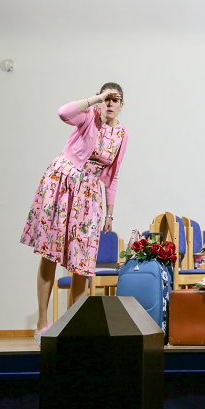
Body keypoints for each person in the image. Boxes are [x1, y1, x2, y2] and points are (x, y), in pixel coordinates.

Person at [21, 83, 129, 345]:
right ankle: (42, 323)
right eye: (106, 98)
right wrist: (96, 99)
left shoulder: (122, 134)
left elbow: (113, 177)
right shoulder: (88, 116)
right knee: (50, 253)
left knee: (82, 262)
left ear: (122, 105)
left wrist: (109, 214)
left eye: (115, 99)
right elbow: (63, 112)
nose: (110, 103)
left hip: (89, 195)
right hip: (62, 184)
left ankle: (72, 327)